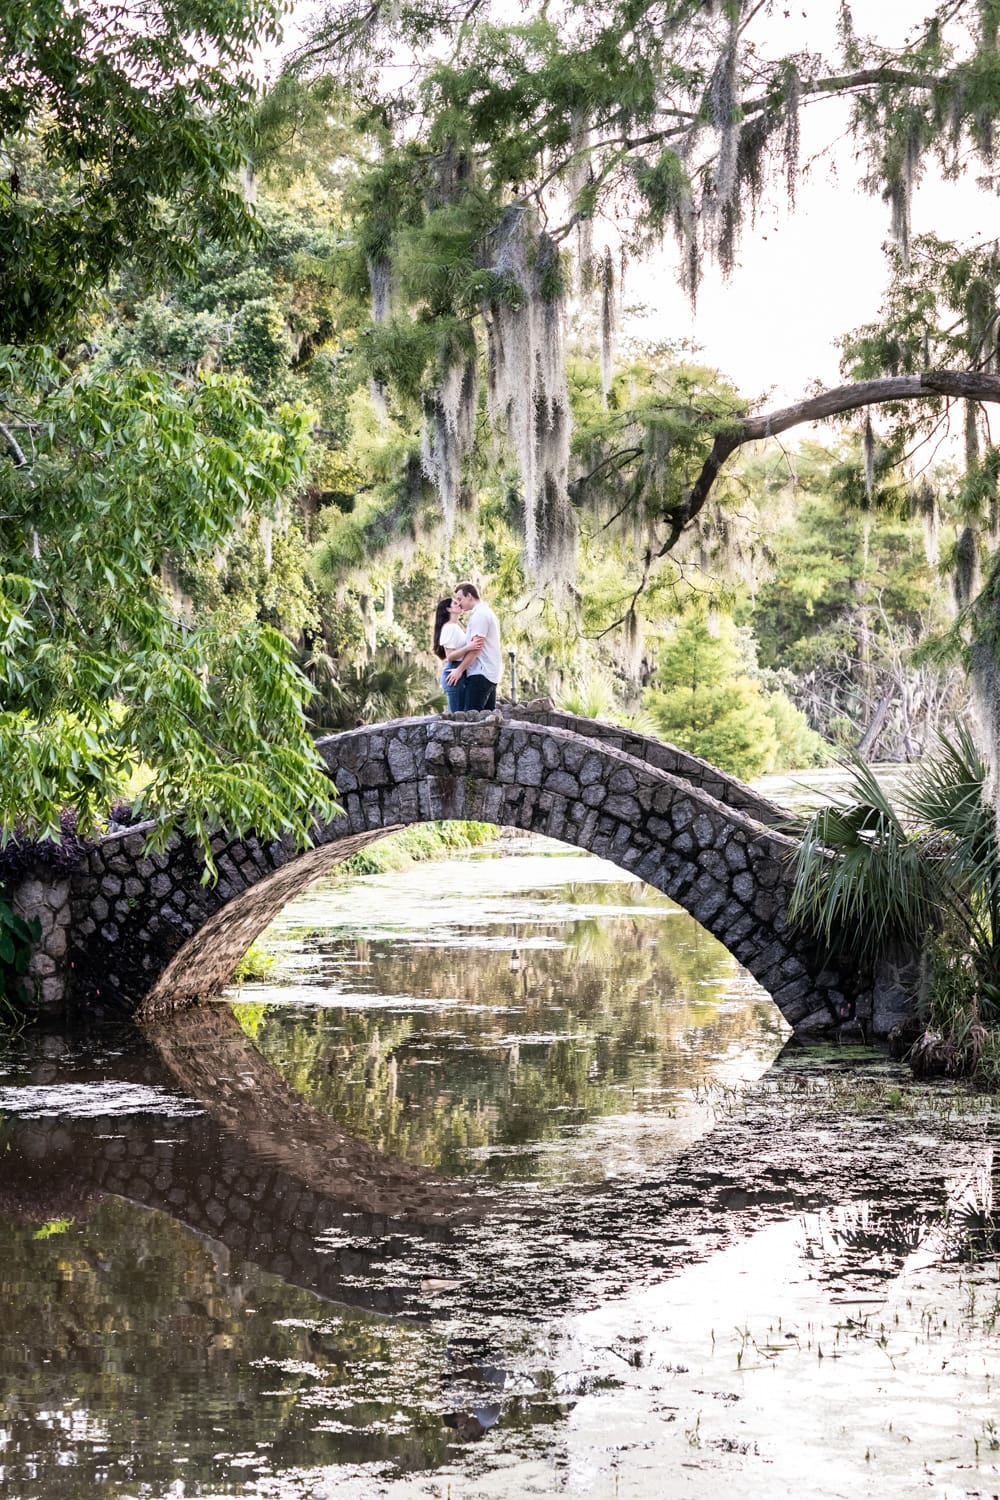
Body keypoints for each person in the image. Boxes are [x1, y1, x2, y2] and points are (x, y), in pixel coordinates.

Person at [448, 582, 501, 711]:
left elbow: (476, 648)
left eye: (460, 599)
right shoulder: (485, 612)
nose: (459, 603)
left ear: (469, 596)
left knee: (470, 719)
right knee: (485, 720)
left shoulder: (480, 615)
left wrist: (459, 670)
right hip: (489, 674)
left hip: (481, 674)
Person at [433, 596, 468, 712]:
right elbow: (450, 656)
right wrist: (469, 647)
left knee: (461, 714)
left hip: (459, 672)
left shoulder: (455, 627)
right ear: (448, 609)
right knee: (457, 716)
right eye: (455, 603)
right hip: (454, 672)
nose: (459, 604)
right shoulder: (449, 628)